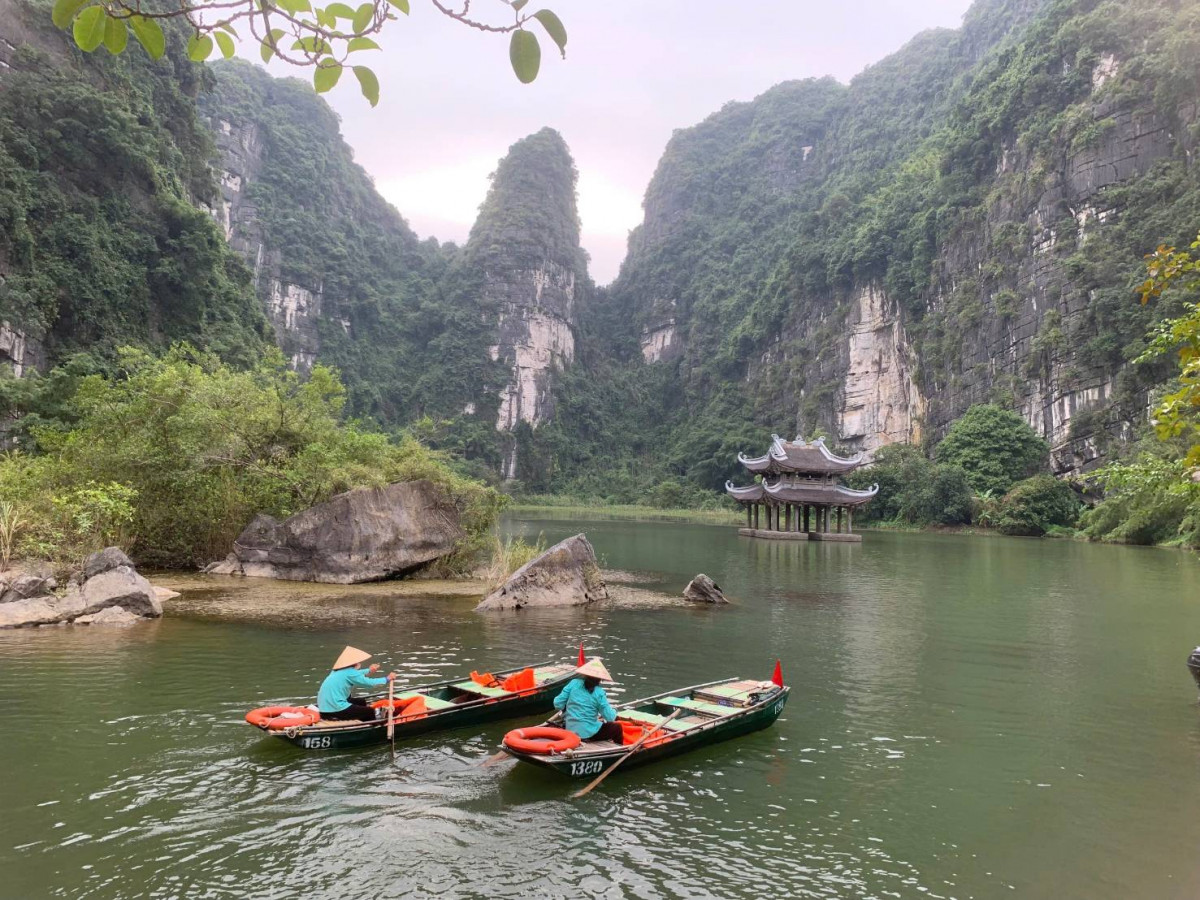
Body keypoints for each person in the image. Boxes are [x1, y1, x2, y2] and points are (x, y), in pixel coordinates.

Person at [317, 646, 395, 722]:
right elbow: (369, 683)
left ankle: (361, 718)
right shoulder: (350, 673)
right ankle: (373, 724)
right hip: (335, 709)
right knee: (369, 711)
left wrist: (369, 670)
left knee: (361, 702)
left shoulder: (336, 671)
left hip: (324, 709)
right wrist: (387, 679)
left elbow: (355, 674)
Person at [553, 657, 622, 742]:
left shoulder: (574, 683)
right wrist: (615, 710)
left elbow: (557, 703)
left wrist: (568, 709)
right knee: (617, 728)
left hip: (570, 730)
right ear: (600, 679)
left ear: (586, 674)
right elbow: (610, 717)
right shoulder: (599, 692)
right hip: (588, 733)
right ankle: (619, 747)